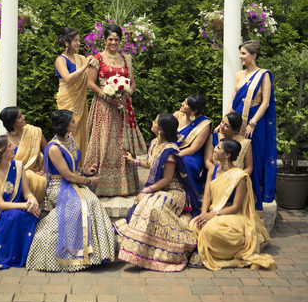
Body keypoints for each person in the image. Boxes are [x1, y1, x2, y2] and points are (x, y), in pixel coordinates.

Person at [26, 110, 116, 272]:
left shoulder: (70, 139)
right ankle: (74, 255)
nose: (75, 123)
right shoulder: (54, 148)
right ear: (64, 125)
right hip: (58, 186)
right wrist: (89, 181)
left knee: (93, 202)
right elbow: (67, 175)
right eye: (72, 121)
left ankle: (98, 254)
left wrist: (85, 171)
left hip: (73, 183)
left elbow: (73, 169)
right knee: (85, 203)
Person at [115, 113, 201, 272]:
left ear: (160, 130)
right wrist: (133, 161)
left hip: (174, 192)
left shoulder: (170, 151)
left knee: (152, 207)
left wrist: (146, 190)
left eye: (155, 121)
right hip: (159, 189)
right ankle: (138, 250)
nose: (152, 122)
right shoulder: (154, 143)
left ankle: (163, 251)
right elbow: (151, 163)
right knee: (144, 203)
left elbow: (167, 179)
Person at [190, 138, 275, 271]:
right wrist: (203, 215)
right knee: (194, 224)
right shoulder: (213, 171)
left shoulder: (240, 176)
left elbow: (236, 206)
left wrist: (213, 214)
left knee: (211, 231)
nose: (214, 150)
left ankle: (226, 250)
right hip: (212, 213)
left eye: (218, 148)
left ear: (227, 155)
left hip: (231, 215)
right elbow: (206, 195)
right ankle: (208, 249)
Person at [84, 23, 146, 197]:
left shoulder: (127, 58)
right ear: (104, 40)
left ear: (120, 41)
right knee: (104, 140)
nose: (113, 42)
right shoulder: (97, 58)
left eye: (116, 39)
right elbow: (90, 83)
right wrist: (107, 97)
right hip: (104, 106)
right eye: (110, 39)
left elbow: (132, 83)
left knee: (121, 141)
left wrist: (126, 95)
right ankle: (101, 184)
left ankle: (124, 185)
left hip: (123, 106)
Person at [0, 135, 40, 270]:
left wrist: (32, 200)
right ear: (1, 151)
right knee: (15, 216)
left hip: (19, 207)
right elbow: (1, 205)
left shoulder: (18, 166)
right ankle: (15, 254)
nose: (14, 147)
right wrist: (25, 206)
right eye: (10, 146)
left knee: (28, 215)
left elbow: (26, 192)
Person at [226, 40, 277, 210]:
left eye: (243, 54)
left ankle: (253, 199)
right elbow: (233, 100)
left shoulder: (264, 75)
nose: (240, 57)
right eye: (240, 53)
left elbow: (266, 102)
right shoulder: (239, 75)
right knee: (234, 155)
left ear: (253, 56)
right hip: (237, 121)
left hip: (255, 123)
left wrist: (253, 123)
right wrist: (224, 120)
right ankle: (234, 197)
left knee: (254, 157)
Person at [55, 27, 93, 166]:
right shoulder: (61, 59)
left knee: (80, 131)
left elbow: (90, 78)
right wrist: (84, 67)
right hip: (68, 101)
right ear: (66, 42)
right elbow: (67, 78)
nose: (78, 43)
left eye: (79, 40)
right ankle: (65, 166)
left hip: (80, 102)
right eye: (75, 40)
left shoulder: (80, 58)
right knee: (68, 131)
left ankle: (80, 166)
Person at [0, 106, 47, 203]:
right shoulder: (5, 140)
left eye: (22, 115)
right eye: (19, 117)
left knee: (30, 176)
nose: (24, 117)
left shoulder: (35, 132)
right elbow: (3, 164)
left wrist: (42, 170)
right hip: (15, 176)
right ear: (12, 122)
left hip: (36, 175)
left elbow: (48, 154)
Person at [173, 95, 211, 192]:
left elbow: (193, 149)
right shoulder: (177, 115)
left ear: (194, 111)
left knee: (185, 162)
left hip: (193, 155)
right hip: (173, 148)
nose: (182, 104)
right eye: (184, 101)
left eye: (185, 104)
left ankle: (189, 190)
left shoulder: (204, 124)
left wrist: (175, 155)